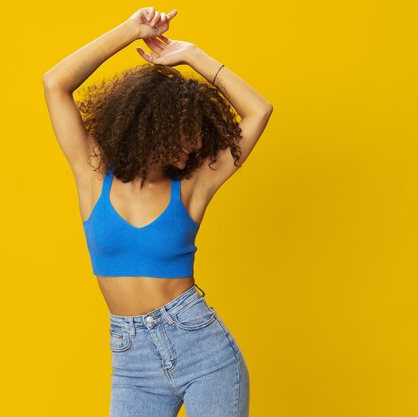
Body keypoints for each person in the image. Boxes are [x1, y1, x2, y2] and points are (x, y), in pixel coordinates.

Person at [42, 7, 273, 417]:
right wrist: (131, 31)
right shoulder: (93, 173)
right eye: (184, 135)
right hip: (132, 362)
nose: (193, 148)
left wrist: (192, 54)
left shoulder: (192, 187)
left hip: (203, 351)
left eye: (198, 137)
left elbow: (258, 111)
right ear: (151, 128)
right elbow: (55, 83)